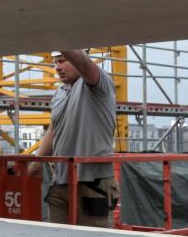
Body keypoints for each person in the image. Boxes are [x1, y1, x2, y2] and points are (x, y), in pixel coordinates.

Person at [27, 49, 120, 227]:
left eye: (62, 61)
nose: (57, 67)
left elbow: (84, 63)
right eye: (55, 63)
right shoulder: (60, 93)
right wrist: (37, 162)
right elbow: (54, 129)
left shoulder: (98, 84)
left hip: (93, 183)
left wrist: (62, 37)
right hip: (61, 182)